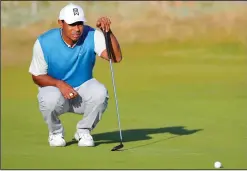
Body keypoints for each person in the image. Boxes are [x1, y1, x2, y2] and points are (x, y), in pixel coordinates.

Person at [28, 3, 122, 147]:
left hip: (84, 89)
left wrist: (107, 32)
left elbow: (115, 58)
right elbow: (37, 76)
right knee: (48, 99)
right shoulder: (44, 42)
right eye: (72, 24)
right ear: (61, 23)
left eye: (80, 24)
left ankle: (83, 131)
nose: (77, 29)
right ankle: (56, 133)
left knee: (100, 93)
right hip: (56, 91)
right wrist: (60, 84)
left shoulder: (91, 35)